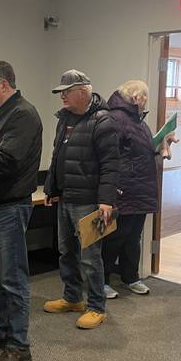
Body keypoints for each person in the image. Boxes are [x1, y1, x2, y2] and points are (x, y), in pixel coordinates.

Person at [0, 60, 43, 361]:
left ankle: (19, 348)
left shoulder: (22, 115)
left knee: (13, 277)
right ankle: (4, 329)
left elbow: (6, 162)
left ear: (3, 84)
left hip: (10, 206)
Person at [43, 70, 119, 329]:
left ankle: (97, 306)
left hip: (89, 201)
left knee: (90, 256)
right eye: (60, 92)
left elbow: (111, 165)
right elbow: (57, 158)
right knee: (66, 252)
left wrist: (106, 200)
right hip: (65, 198)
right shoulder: (64, 119)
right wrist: (51, 189)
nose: (62, 96)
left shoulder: (102, 121)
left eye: (67, 91)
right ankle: (72, 298)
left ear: (84, 92)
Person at [102, 80, 175, 299]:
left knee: (133, 238)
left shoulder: (139, 122)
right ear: (137, 98)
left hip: (140, 188)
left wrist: (163, 144)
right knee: (115, 237)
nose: (145, 102)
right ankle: (102, 280)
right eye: (144, 97)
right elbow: (111, 156)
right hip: (125, 189)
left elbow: (140, 151)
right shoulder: (115, 119)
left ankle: (131, 277)